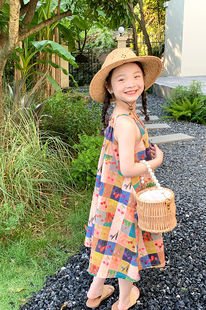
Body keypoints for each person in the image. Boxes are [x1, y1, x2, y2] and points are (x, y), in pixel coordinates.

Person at [84, 48, 165, 310]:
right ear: (109, 86)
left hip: (112, 192)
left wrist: (144, 149)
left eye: (136, 76)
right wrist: (156, 161)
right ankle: (123, 301)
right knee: (125, 248)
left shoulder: (121, 114)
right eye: (121, 79)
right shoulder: (127, 123)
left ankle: (94, 293)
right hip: (126, 194)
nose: (131, 83)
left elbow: (123, 152)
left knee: (111, 241)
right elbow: (129, 168)